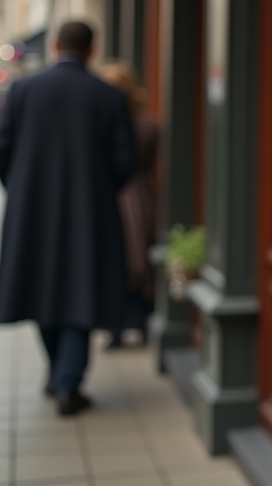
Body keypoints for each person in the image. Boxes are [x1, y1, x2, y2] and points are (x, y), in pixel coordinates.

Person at [0, 22, 136, 416]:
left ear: (55, 46)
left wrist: (21, 189)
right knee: (82, 287)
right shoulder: (107, 95)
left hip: (32, 209)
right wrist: (99, 189)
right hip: (90, 210)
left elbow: (1, 148)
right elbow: (126, 159)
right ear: (93, 50)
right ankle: (67, 380)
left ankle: (61, 374)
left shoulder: (23, 90)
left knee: (40, 288)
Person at [99, 60, 160, 348]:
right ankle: (116, 325)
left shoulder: (145, 124)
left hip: (134, 197)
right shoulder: (99, 121)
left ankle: (138, 320)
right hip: (111, 194)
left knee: (138, 258)